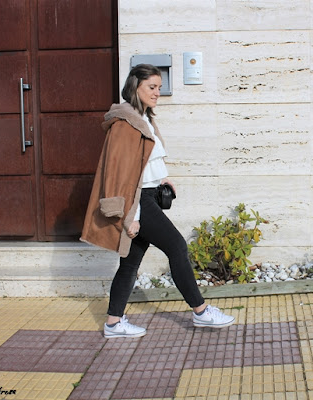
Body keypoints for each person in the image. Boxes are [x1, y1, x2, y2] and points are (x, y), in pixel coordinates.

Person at [81, 64, 235, 338]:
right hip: (138, 201)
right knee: (177, 247)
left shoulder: (145, 119)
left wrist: (162, 178)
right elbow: (118, 173)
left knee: (130, 263)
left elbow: (144, 162)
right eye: (151, 87)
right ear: (135, 87)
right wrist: (131, 216)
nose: (157, 93)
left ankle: (113, 323)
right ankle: (201, 311)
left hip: (149, 194)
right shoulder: (125, 123)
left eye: (159, 88)